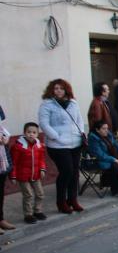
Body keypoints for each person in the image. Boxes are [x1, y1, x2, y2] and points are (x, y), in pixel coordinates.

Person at [38, 79, 85, 214]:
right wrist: (55, 136)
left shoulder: (73, 103)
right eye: (56, 88)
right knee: (66, 171)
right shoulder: (47, 105)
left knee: (75, 173)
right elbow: (44, 123)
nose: (58, 90)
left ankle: (72, 199)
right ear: (52, 90)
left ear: (66, 90)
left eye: (61, 88)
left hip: (75, 142)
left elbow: (79, 120)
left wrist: (80, 132)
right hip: (57, 145)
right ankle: (61, 202)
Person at [9, 123, 47, 224]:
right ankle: (28, 215)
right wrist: (13, 176)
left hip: (36, 175)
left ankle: (37, 211)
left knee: (40, 194)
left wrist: (42, 169)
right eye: (28, 132)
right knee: (28, 195)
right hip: (23, 176)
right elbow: (14, 162)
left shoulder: (39, 146)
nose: (31, 134)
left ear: (37, 134)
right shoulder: (18, 147)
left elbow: (41, 159)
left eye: (34, 132)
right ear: (24, 133)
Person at [87, 121, 118, 197]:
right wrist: (115, 160)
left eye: (107, 128)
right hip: (98, 161)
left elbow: (117, 145)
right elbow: (100, 155)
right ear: (97, 130)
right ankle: (116, 189)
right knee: (115, 165)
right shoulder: (93, 138)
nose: (106, 130)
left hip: (109, 157)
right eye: (103, 129)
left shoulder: (108, 135)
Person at [0, 106, 15, 232]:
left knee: (0, 191)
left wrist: (5, 138)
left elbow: (2, 125)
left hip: (1, 157)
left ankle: (1, 219)